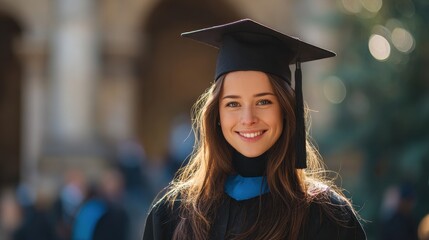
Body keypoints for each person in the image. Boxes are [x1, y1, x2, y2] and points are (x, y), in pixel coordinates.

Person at [142, 18, 366, 240]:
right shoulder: (172, 214)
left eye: (263, 102)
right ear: (216, 115)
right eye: (233, 104)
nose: (248, 119)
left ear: (286, 109)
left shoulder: (327, 216)